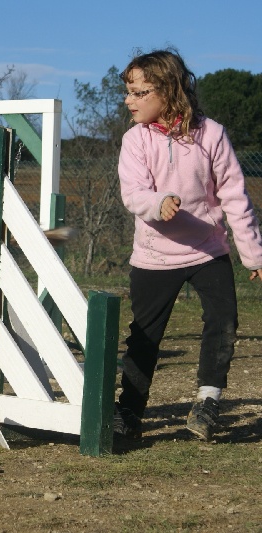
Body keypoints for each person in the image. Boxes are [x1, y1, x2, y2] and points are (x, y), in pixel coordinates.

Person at [114, 48, 262, 442]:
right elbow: (133, 193)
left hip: (207, 250)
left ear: (168, 90)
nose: (129, 100)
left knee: (224, 322)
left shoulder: (210, 134)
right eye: (127, 91)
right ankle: (128, 413)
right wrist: (156, 202)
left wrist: (252, 253)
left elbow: (233, 195)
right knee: (144, 337)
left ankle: (208, 401)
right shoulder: (135, 140)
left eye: (139, 92)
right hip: (154, 253)